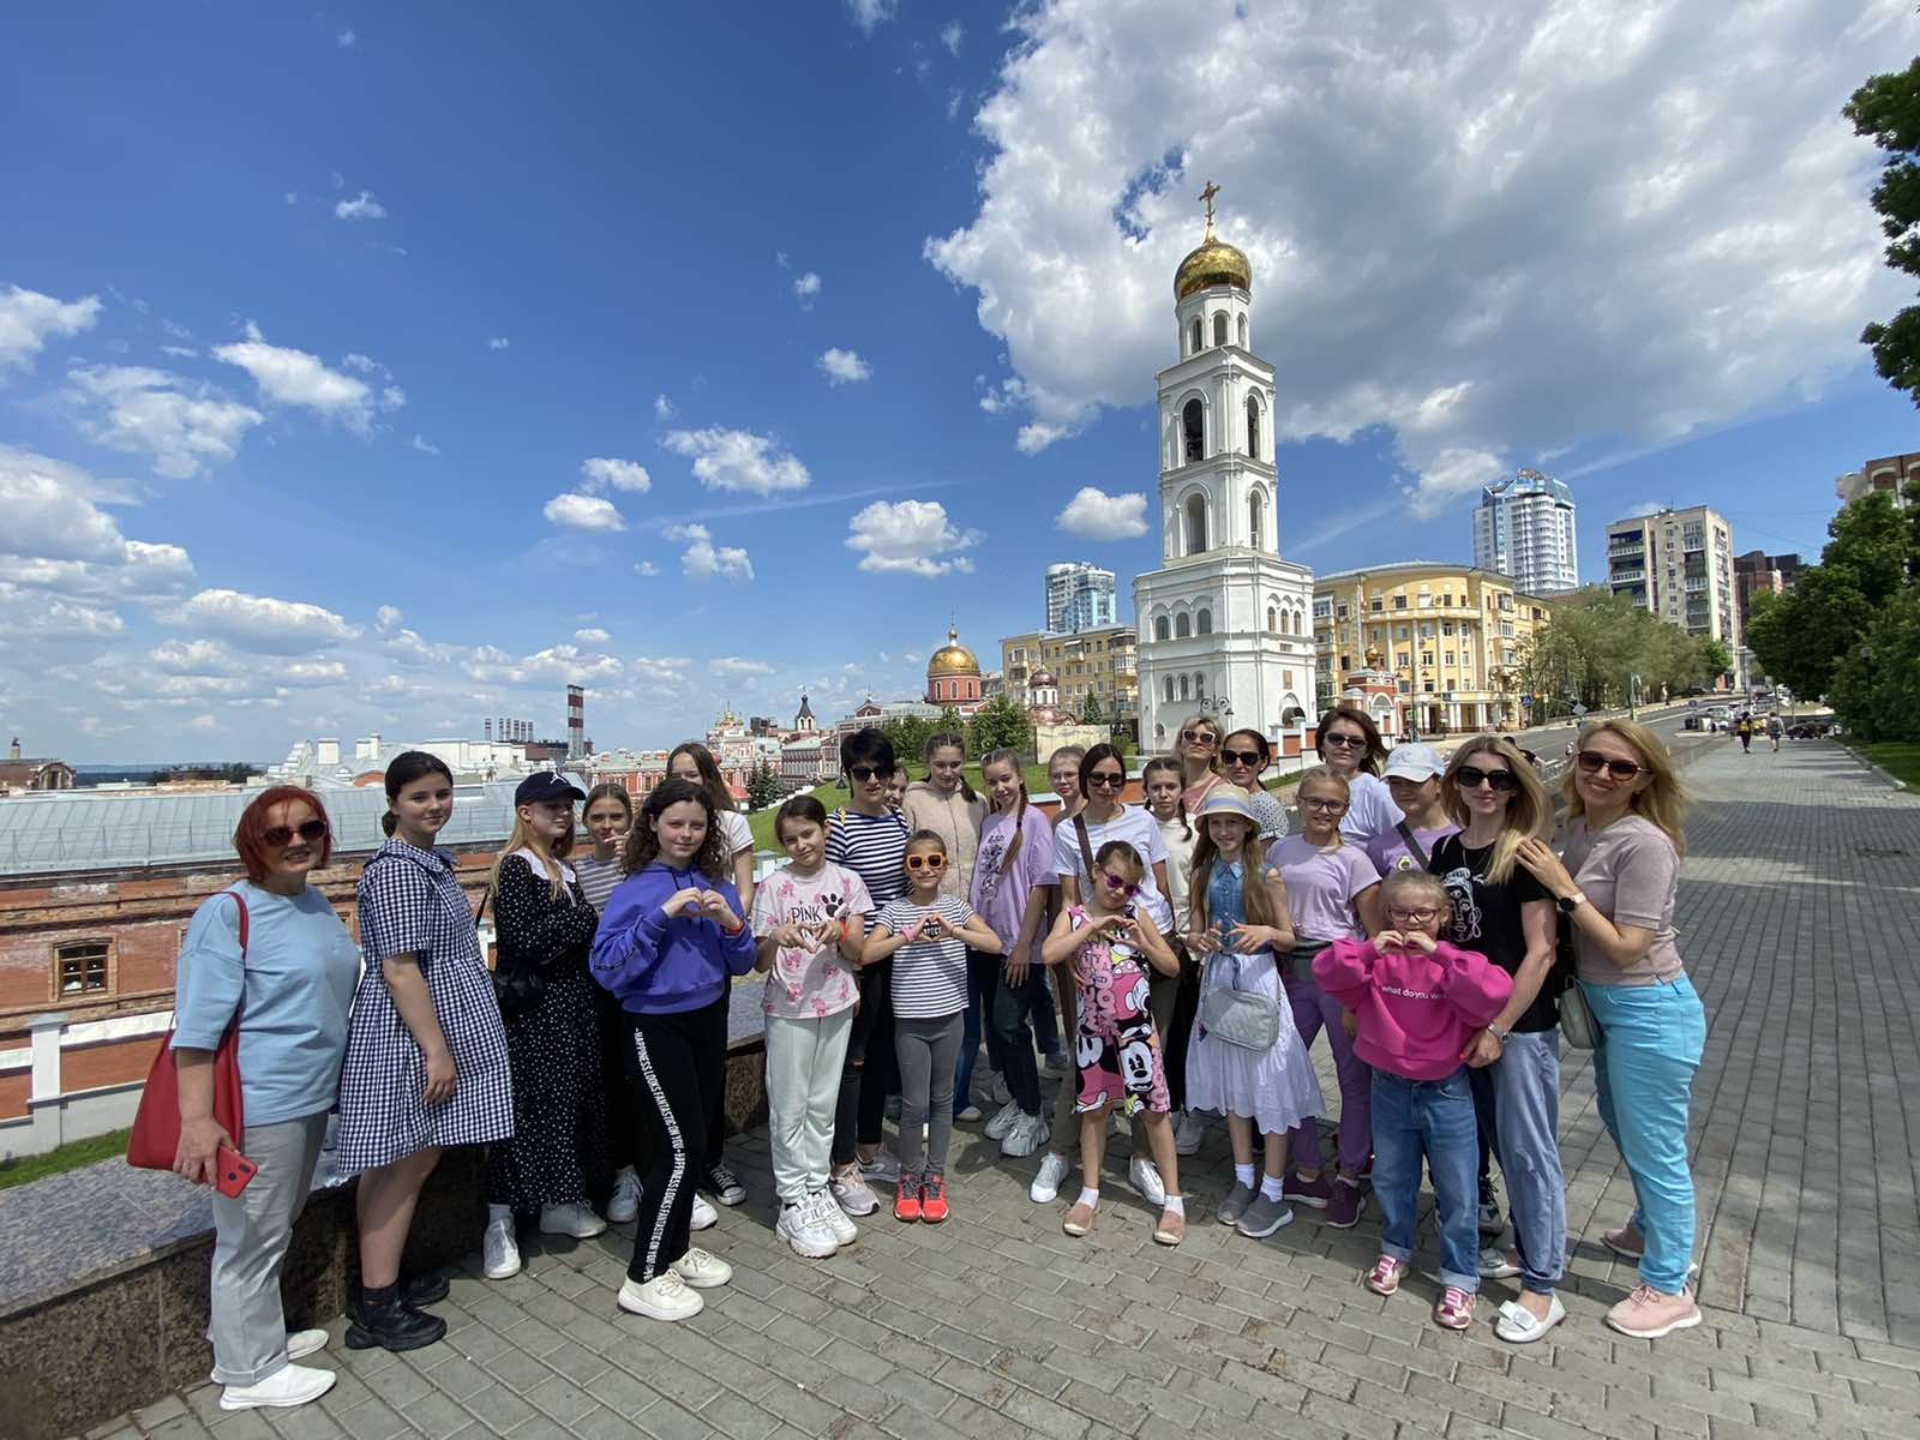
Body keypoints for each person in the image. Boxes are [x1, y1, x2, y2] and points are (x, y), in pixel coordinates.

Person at [174, 787, 360, 1411]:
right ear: (253, 842)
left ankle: (250, 1338)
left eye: (309, 828)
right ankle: (249, 1375)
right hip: (260, 1103)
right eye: (278, 834)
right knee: (250, 1236)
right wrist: (199, 1122)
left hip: (310, 1096)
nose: (297, 841)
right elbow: (196, 1033)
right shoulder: (228, 913)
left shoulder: (311, 902)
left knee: (271, 1227)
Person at [1518, 720, 1705, 1340]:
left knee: (1657, 1149)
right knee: (1623, 1124)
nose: (1602, 775)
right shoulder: (1578, 829)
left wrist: (1565, 889)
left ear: (1644, 779)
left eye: (1620, 768)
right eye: (1592, 760)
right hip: (1607, 1008)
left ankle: (1671, 1284)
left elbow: (1628, 947)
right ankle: (1653, 1228)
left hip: (1649, 1005)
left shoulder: (1644, 843)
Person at [338, 752, 512, 1352]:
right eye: (419, 797)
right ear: (393, 804)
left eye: (442, 793)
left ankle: (376, 1286)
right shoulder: (395, 871)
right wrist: (437, 1051)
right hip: (410, 1033)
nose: (434, 805)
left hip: (431, 1022)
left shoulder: (428, 861)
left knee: (402, 1157)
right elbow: (399, 968)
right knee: (405, 1159)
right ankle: (378, 1306)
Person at [1315, 872, 1513, 1330]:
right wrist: (1371, 947)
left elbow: (1492, 994)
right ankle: (1395, 1249)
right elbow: (1330, 970)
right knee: (1392, 1176)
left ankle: (1460, 1276)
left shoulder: (1457, 962)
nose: (1411, 922)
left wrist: (1438, 952)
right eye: (1400, 912)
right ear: (1386, 916)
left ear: (1443, 917)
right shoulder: (1376, 961)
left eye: (1424, 913)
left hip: (1445, 1091)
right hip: (1389, 1086)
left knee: (1458, 1189)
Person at [590, 778, 756, 1322]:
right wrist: (662, 916)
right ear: (654, 826)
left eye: (697, 824)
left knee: (700, 1138)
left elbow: (743, 960)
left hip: (707, 1018)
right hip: (655, 1025)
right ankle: (643, 1274)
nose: (686, 833)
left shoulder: (716, 881)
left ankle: (677, 1248)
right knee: (677, 1149)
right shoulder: (636, 887)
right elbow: (607, 966)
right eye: (675, 823)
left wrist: (728, 920)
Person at [1431, 737, 1567, 1342]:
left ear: (1517, 790)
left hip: (1517, 1028)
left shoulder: (1525, 854)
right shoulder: (1445, 849)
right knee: (1479, 1143)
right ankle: (1509, 1246)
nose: (1486, 787)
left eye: (1500, 779)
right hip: (1463, 1026)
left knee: (1527, 1152)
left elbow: (1542, 952)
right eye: (1473, 775)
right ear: (1456, 783)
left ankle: (1543, 1283)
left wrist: (1498, 1027)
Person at [480, 773, 613, 1284]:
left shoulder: (562, 867)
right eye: (552, 806)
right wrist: (585, 921)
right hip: (537, 1010)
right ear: (525, 813)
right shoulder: (516, 867)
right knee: (530, 1107)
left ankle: (560, 1198)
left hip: (572, 1004)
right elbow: (524, 941)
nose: (563, 814)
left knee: (566, 1103)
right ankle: (501, 1218)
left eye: (566, 807)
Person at [1031, 745, 1174, 1208]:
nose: (1108, 787)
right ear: (1086, 780)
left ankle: (1140, 1157)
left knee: (1146, 1061)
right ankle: (1060, 1150)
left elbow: (1159, 885)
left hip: (1148, 945)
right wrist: (1073, 955)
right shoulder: (1070, 830)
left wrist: (1162, 940)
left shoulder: (1143, 821)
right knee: (1086, 1057)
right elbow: (1071, 899)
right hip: (1095, 951)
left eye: (1116, 779)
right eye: (1099, 779)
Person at [1184, 788, 1323, 1239]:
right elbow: (1195, 928)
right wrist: (1197, 939)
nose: (1223, 831)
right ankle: (1244, 1177)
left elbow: (1287, 936)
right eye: (1215, 823)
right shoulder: (1202, 872)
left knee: (1268, 1083)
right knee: (1233, 1086)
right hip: (1219, 982)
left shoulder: (1268, 872)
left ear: (1248, 827)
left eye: (1232, 822)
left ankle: (1274, 1189)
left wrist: (1265, 929)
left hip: (1261, 981)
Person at [1042, 840, 1186, 1244]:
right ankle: (1090, 1191)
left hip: (1139, 1033)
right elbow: (1049, 952)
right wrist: (1090, 928)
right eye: (1115, 880)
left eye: (1130, 886)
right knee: (1095, 1112)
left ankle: (1174, 1200)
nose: (1120, 891)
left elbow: (1172, 966)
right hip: (1094, 1036)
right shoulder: (1074, 918)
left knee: (1155, 1112)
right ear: (1095, 871)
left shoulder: (1135, 915)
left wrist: (1143, 944)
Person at [751, 796, 870, 1259]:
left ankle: (817, 1187)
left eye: (808, 833)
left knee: (822, 1103)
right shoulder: (773, 888)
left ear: (824, 830)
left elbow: (858, 951)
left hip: (836, 1001)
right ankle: (792, 1198)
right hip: (788, 1007)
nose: (801, 845)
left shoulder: (847, 881)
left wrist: (841, 934)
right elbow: (758, 960)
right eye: (790, 839)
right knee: (789, 1104)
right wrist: (775, 938)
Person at [863, 831, 1002, 1223]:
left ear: (944, 865)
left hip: (950, 1017)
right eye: (916, 862)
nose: (925, 869)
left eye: (934, 861)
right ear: (906, 867)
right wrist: (907, 936)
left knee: (943, 1101)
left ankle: (934, 1175)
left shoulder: (956, 907)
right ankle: (910, 1176)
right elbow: (868, 952)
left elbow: (993, 943)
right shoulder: (894, 910)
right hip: (909, 1021)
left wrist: (955, 931)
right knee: (913, 1104)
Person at [1269, 767, 1384, 1229]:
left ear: (1346, 810)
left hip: (1339, 972)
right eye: (1315, 801)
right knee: (1287, 1071)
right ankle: (1308, 1167)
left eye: (1333, 804)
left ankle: (1351, 1173)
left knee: (1352, 1077)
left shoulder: (1355, 860)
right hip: (1293, 971)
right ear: (1299, 801)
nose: (1323, 811)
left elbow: (1374, 933)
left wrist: (1364, 993)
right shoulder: (1281, 849)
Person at [824, 728, 913, 1216]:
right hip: (857, 958)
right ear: (849, 775)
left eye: (880, 770)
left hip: (894, 952)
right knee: (854, 1060)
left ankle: (871, 1147)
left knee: (881, 1054)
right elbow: (831, 893)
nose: (873, 779)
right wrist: (853, 952)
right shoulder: (839, 826)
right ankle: (842, 1164)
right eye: (862, 772)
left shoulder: (898, 818)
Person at [667, 741, 753, 1206]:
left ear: (708, 778)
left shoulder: (731, 824)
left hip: (715, 955)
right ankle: (677, 1168)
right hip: (671, 964)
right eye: (676, 775)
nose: (684, 782)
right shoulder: (666, 827)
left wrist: (734, 936)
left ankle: (710, 1160)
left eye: (693, 775)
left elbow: (744, 890)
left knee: (708, 1066)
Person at [901, 733, 994, 1123]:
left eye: (955, 764)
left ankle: (956, 1096)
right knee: (933, 1018)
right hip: (930, 921)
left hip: (973, 918)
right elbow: (904, 856)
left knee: (969, 1019)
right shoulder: (913, 799)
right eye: (940, 764)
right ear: (928, 761)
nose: (948, 772)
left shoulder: (978, 801)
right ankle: (923, 1103)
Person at [975, 749, 1060, 1159]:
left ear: (1021, 777)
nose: (1000, 787)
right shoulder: (992, 821)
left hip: (1018, 944)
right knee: (997, 1024)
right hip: (989, 942)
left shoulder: (1036, 822)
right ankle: (1018, 1098)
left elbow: (1042, 887)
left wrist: (1025, 944)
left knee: (1010, 1024)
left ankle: (1033, 1111)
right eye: (992, 781)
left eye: (1006, 778)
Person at [574, 783, 648, 1226]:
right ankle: (624, 1172)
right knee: (614, 1083)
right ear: (586, 823)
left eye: (616, 818)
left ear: (630, 820)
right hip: (602, 990)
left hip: (645, 988)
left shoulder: (641, 868)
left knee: (649, 1080)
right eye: (598, 818)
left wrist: (632, 863)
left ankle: (658, 1170)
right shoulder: (578, 873)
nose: (607, 826)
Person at [1142, 757, 1204, 1155]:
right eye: (1155, 787)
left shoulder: (1196, 831)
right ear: (1145, 790)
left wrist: (1195, 936)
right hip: (1153, 939)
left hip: (1191, 942)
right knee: (1155, 1030)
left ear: (1182, 789)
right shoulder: (1139, 827)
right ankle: (1162, 1104)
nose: (1163, 794)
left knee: (1188, 1030)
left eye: (1170, 786)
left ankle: (1190, 1108)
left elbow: (1201, 885)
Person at [1366, 743, 1457, 876]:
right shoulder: (1380, 847)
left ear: (1440, 784)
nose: (1403, 791)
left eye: (1414, 781)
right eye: (1395, 782)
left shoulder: (1470, 835)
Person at [1315, 706, 1400, 843]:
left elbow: (1397, 845)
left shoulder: (1378, 793)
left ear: (1367, 751)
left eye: (1356, 742)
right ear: (1322, 744)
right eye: (1336, 738)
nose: (1344, 746)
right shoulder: (1312, 785)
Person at [1215, 729, 1289, 842]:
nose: (1238, 765)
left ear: (1263, 762)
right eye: (1230, 757)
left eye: (1248, 758)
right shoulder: (1221, 798)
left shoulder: (1266, 807)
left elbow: (1274, 855)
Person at [1175, 712, 1225, 809]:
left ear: (1216, 749)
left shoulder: (1222, 789)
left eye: (1206, 738)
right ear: (1180, 744)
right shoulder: (1166, 785)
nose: (1197, 742)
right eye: (1190, 735)